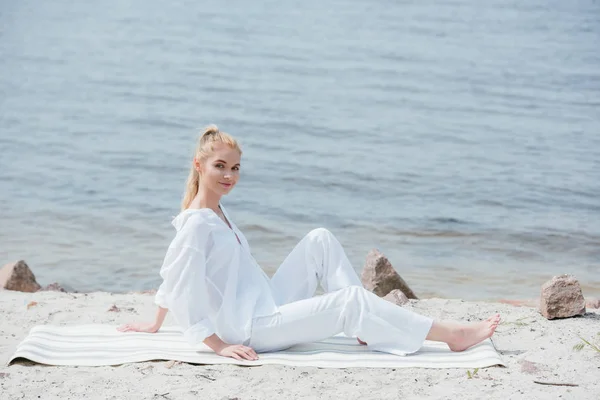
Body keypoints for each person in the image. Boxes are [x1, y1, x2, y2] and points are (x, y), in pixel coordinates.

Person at [118, 125, 500, 361]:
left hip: (264, 302)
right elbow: (182, 285)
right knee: (349, 300)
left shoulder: (218, 213)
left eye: (235, 168)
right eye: (220, 166)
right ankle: (452, 335)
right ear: (199, 166)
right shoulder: (197, 224)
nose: (229, 175)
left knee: (320, 238)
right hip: (250, 329)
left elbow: (174, 277)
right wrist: (218, 345)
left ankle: (366, 326)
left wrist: (154, 322)